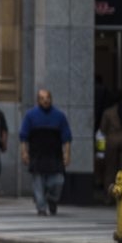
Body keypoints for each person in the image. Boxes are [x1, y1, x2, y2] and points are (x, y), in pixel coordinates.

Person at [19, 88, 72, 216]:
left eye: (47, 98)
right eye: (42, 98)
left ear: (51, 99)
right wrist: (24, 153)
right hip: (37, 155)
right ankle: (41, 208)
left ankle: (53, 199)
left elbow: (66, 137)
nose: (45, 100)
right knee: (38, 184)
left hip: (55, 156)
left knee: (58, 181)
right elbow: (23, 136)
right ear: (38, 101)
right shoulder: (30, 116)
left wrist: (67, 154)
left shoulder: (59, 116)